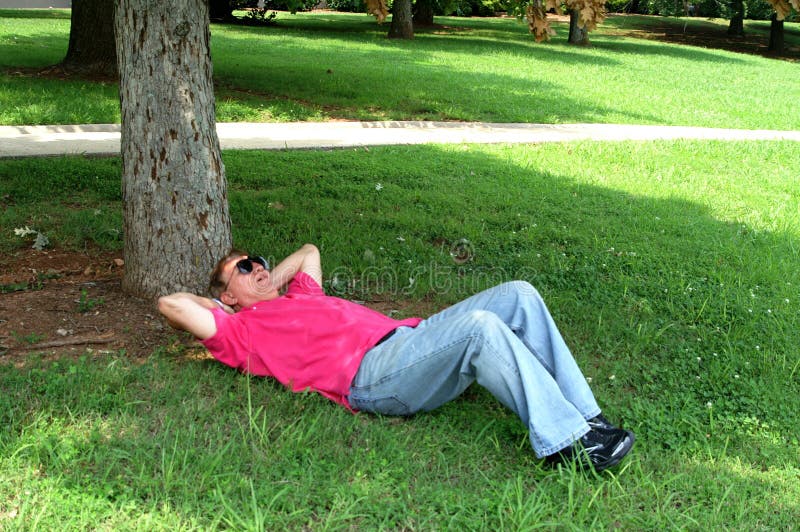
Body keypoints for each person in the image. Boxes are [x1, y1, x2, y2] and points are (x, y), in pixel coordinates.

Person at [158, 243, 635, 472]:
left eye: (257, 259)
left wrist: (264, 282)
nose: (258, 267)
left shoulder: (301, 295)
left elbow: (308, 252)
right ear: (228, 297)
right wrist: (228, 304)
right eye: (243, 268)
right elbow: (171, 305)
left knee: (519, 294)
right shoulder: (240, 331)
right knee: (481, 328)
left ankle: (587, 419)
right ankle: (567, 446)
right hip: (371, 375)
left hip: (409, 339)